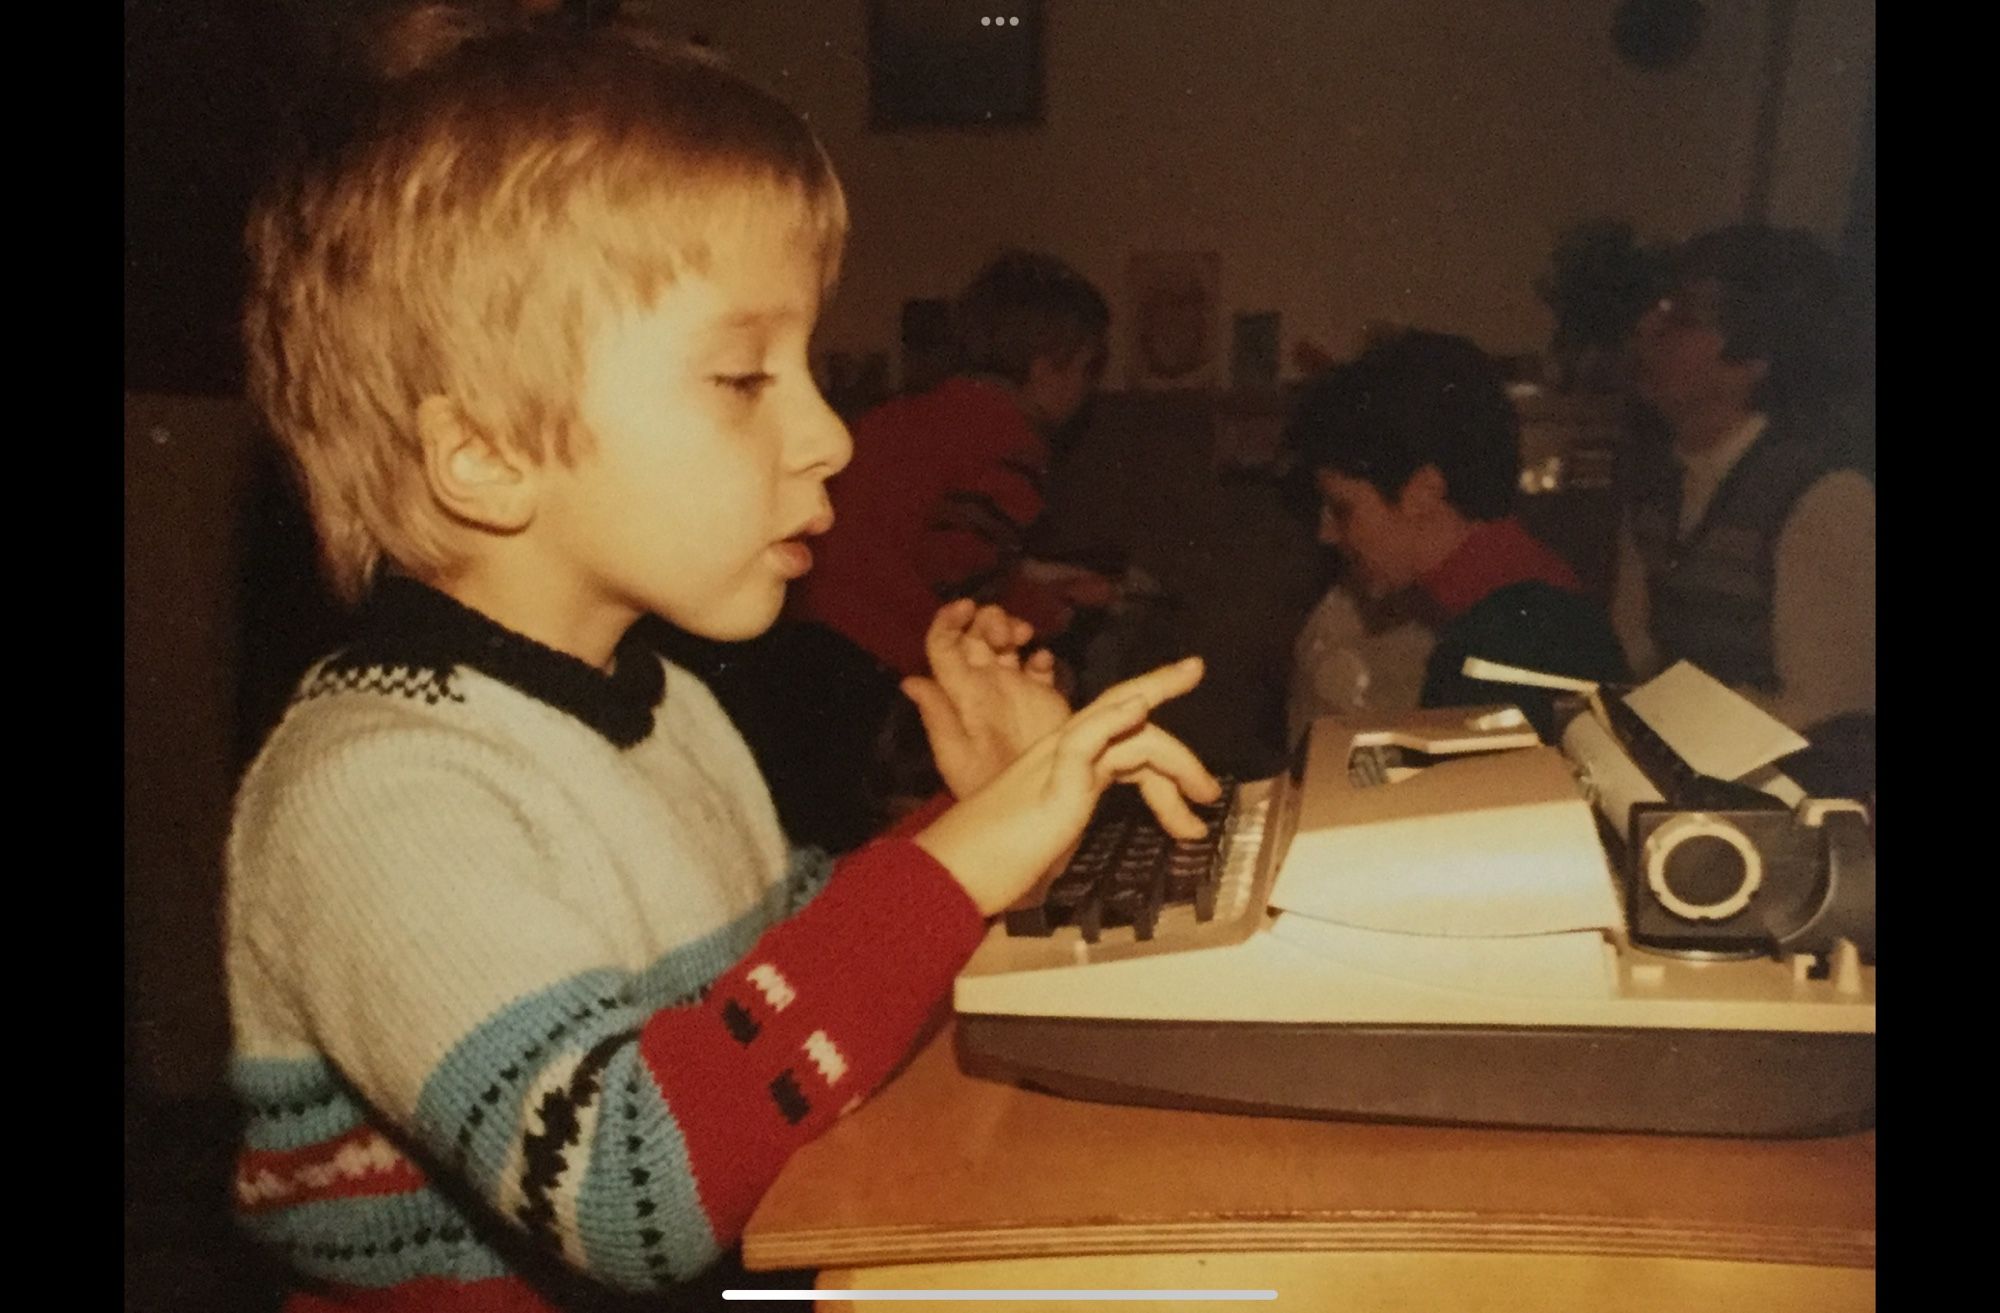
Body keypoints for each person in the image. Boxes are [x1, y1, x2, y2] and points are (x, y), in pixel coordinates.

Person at [227, 11, 1219, 1310]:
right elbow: (629, 1187)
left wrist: (971, 815)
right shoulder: (371, 793)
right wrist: (957, 862)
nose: (830, 438)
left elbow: (775, 1006)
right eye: (745, 377)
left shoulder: (663, 703)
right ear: (483, 454)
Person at [1611, 224, 1875, 797]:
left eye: (1681, 318)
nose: (1647, 330)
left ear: (1752, 357)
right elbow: (1634, 655)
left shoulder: (1824, 496)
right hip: (1680, 789)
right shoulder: (1657, 486)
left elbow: (1825, 706)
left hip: (1786, 808)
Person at [790, 249, 1119, 679]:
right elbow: (962, 574)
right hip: (871, 655)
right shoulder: (1010, 441)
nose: (1085, 389)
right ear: (1044, 370)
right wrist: (1054, 614)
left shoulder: (908, 414)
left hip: (804, 625)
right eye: (1085, 370)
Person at [1285, 330, 1627, 741]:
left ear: (1423, 492)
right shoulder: (1527, 600)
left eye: (1343, 509)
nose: (1326, 533)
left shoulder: (1501, 645)